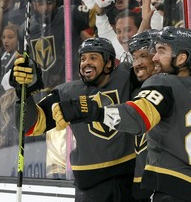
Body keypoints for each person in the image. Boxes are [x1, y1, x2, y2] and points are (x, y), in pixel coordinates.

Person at [51, 26, 191, 202]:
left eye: (161, 51)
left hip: (174, 185)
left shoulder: (163, 84)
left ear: (182, 57)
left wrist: (96, 112)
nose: (155, 58)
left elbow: (137, 117)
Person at [10, 37, 137, 202]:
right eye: (83, 58)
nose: (86, 62)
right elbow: (32, 126)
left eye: (93, 57)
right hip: (91, 188)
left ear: (109, 63)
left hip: (130, 182)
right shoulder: (68, 92)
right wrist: (23, 94)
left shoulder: (126, 77)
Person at [128, 29, 157, 201]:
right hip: (140, 179)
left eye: (143, 56)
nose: (137, 63)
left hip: (164, 179)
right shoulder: (136, 89)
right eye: (134, 58)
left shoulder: (171, 87)